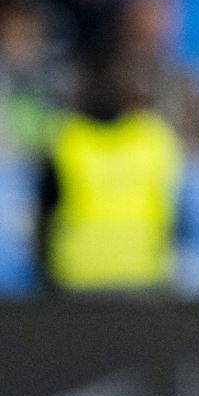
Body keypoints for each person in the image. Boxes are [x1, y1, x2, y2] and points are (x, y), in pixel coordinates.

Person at [35, 57, 185, 292]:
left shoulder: (65, 139)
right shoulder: (154, 138)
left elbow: (44, 216)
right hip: (144, 275)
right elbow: (177, 215)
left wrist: (43, 276)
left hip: (77, 276)